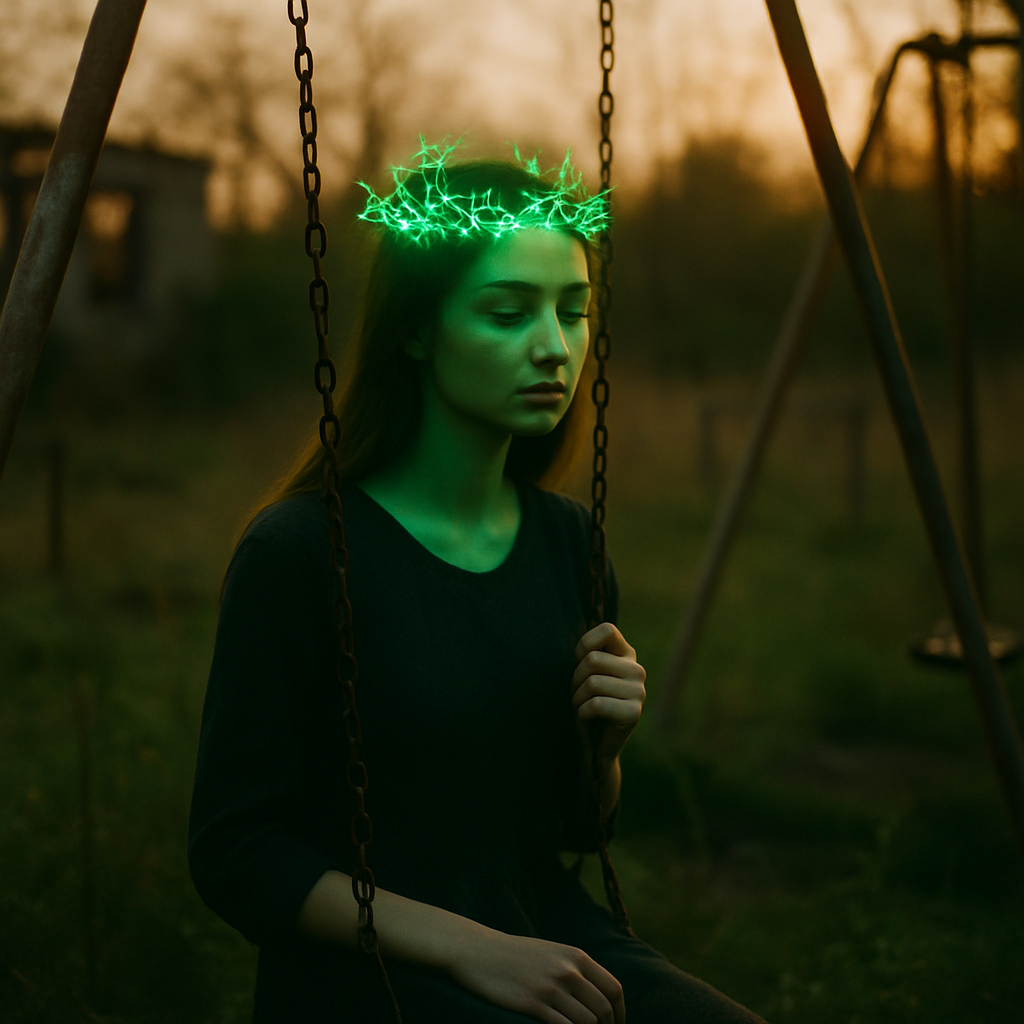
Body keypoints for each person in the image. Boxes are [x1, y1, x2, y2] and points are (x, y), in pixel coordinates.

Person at [188, 141, 766, 1024]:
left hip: (543, 932)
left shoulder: (567, 541)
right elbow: (237, 852)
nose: (553, 348)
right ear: (416, 330)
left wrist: (602, 753)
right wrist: (476, 950)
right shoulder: (300, 552)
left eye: (572, 312)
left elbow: (575, 831)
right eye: (507, 313)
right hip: (364, 969)